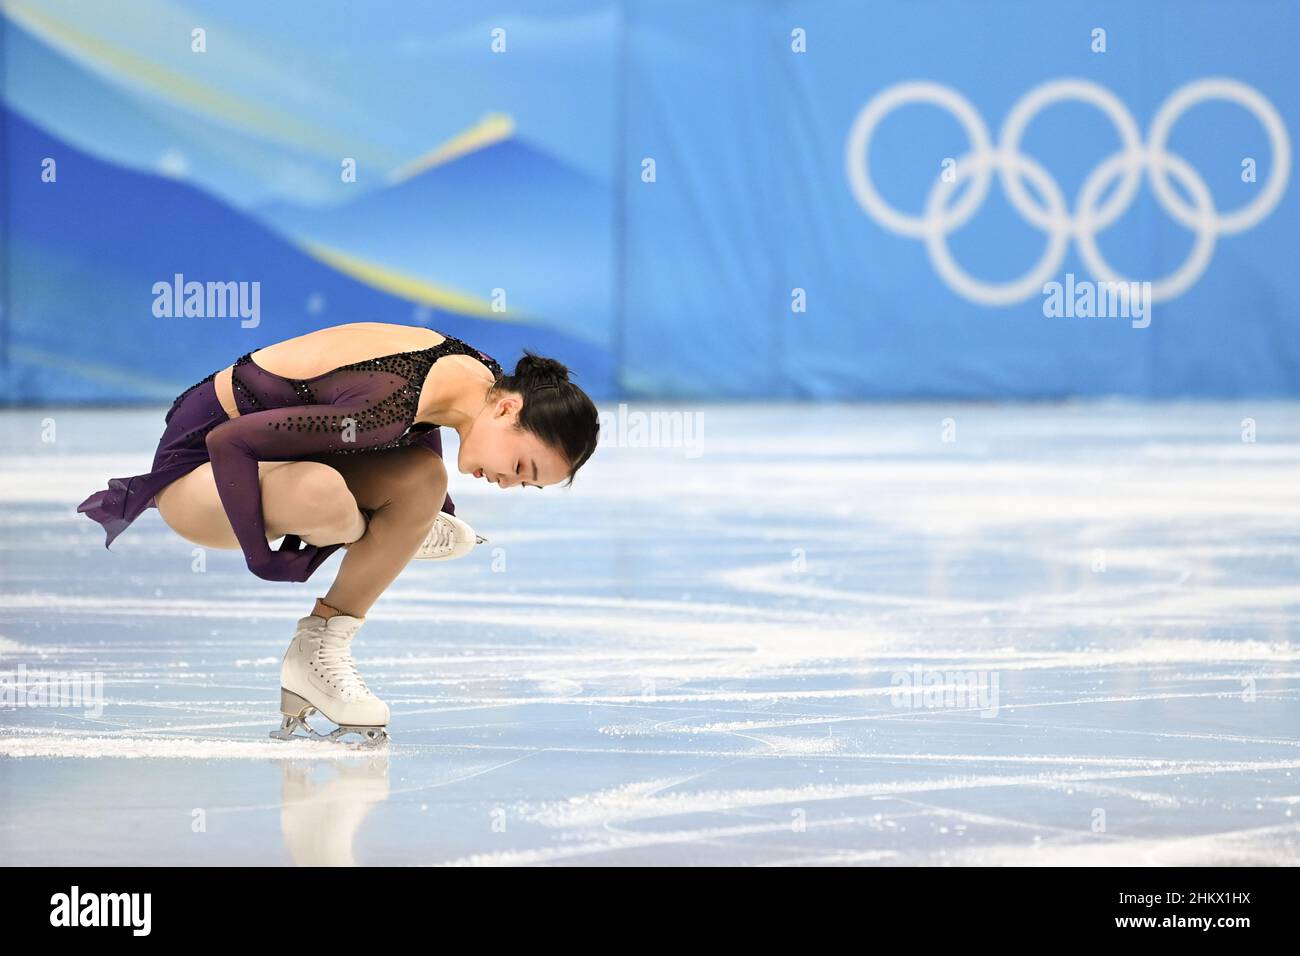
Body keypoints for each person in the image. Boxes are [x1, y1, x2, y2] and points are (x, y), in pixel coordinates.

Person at [77, 321, 600, 745]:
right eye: (523, 466)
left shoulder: (478, 377)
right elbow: (227, 440)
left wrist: (432, 508)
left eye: (526, 485)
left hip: (279, 461)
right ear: (508, 409)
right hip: (197, 477)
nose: (509, 484)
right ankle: (386, 530)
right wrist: (261, 558)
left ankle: (319, 645)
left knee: (425, 481)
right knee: (322, 492)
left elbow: (420, 435)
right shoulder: (384, 406)